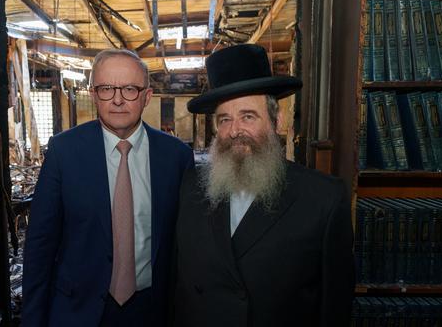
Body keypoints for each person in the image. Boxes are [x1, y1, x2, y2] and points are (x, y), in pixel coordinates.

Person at [171, 44, 354, 327]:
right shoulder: (191, 186)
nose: (234, 131)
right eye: (224, 119)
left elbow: (334, 309)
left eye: (248, 116)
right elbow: (178, 288)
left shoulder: (323, 199)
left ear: (275, 121)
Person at [22, 49, 194, 327]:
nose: (117, 99)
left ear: (146, 97)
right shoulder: (64, 152)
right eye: (106, 89)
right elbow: (40, 245)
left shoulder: (176, 157)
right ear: (93, 94)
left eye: (129, 89)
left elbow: (187, 244)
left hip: (152, 310)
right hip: (78, 309)